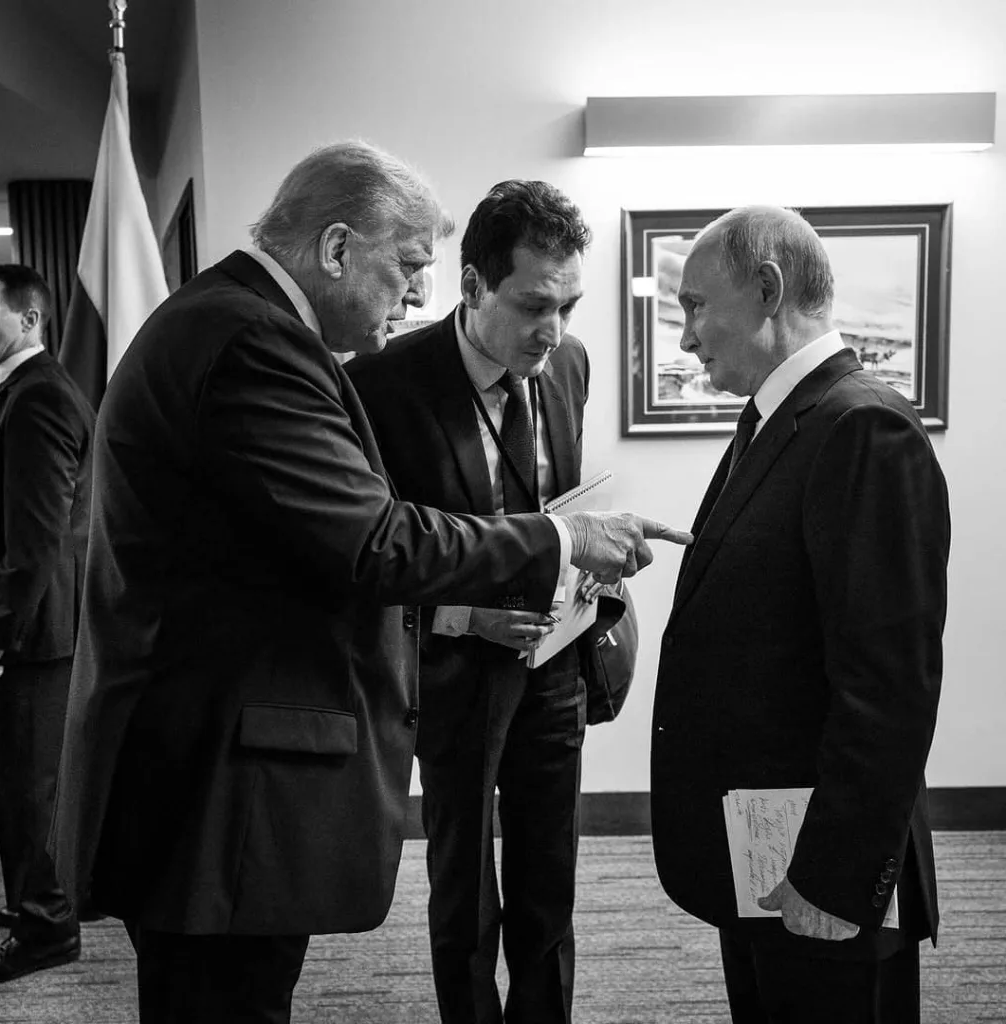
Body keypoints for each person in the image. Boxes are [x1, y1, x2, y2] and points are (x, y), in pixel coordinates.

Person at [48, 141, 691, 1024]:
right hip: (220, 780)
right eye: (410, 266)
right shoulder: (253, 344)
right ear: (338, 248)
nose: (418, 295)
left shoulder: (237, 322)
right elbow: (375, 541)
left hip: (227, 755)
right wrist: (560, 538)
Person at [650, 205, 950, 1024]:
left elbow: (889, 685)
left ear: (769, 288)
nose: (685, 339)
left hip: (821, 879)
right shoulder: (778, 418)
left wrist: (835, 878)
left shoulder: (862, 429)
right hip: (763, 859)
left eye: (696, 307)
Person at [350, 179, 599, 1023]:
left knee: (548, 878)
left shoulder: (568, 364)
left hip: (556, 663)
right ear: (470, 287)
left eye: (568, 303)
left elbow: (557, 508)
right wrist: (466, 615)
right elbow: (373, 562)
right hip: (450, 670)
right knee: (464, 888)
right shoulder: (381, 384)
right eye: (533, 305)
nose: (553, 329)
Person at [0, 264, 93, 984]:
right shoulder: (11, 393)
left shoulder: (40, 397)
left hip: (37, 627)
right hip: (31, 622)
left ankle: (46, 927)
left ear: (28, 320)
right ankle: (34, 900)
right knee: (25, 779)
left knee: (29, 785)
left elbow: (37, 537)